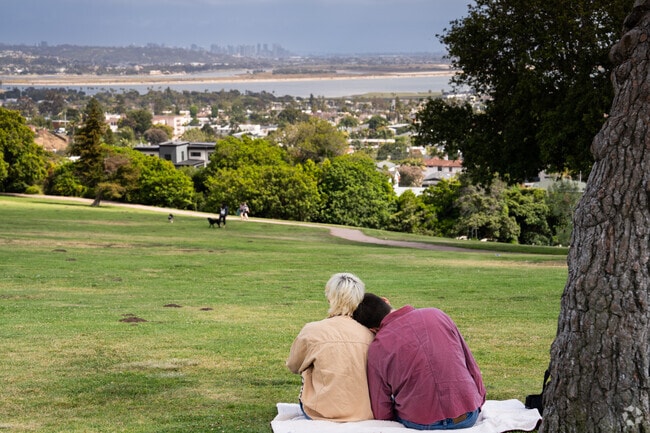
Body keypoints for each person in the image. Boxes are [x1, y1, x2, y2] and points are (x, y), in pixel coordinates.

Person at [353, 293, 486, 430]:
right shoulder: (437, 314)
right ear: (385, 300)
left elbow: (381, 407)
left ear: (372, 330)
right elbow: (470, 363)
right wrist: (478, 399)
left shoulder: (377, 347)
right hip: (468, 414)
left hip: (420, 421)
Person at [286, 273, 374, 422]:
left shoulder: (312, 330)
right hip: (363, 412)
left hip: (321, 412)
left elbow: (293, 366)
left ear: (329, 297)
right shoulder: (369, 334)